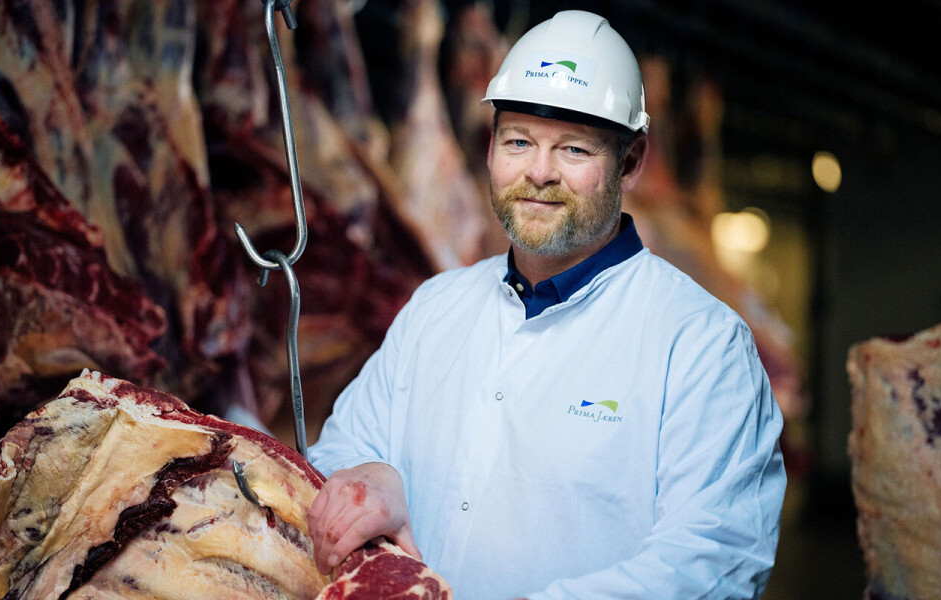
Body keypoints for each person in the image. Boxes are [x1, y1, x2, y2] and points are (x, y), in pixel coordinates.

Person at [307, 10, 785, 599]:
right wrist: (368, 478)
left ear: (630, 162)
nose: (538, 172)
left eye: (574, 150)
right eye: (518, 141)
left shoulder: (701, 344)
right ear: (490, 149)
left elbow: (714, 565)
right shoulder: (436, 308)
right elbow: (336, 456)